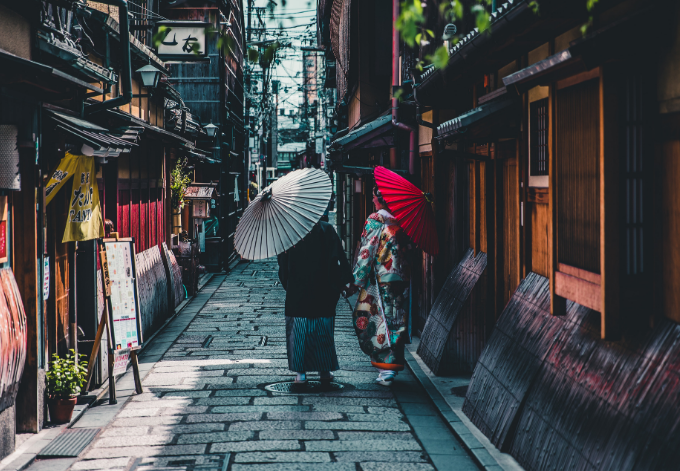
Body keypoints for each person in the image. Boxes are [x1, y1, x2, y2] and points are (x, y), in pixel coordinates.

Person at [347, 186, 410, 386]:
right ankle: (390, 367)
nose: (373, 200)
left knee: (376, 319)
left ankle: (385, 370)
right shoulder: (399, 220)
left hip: (380, 279)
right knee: (395, 320)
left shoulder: (376, 219)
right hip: (399, 278)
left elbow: (367, 250)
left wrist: (357, 279)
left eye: (374, 197)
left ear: (380, 199)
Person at [277, 219, 353, 385]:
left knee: (298, 333)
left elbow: (283, 265)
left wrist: (288, 285)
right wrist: (342, 282)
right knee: (323, 332)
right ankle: (325, 371)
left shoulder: (289, 231)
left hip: (298, 292)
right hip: (324, 291)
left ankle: (300, 374)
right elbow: (338, 258)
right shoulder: (326, 229)